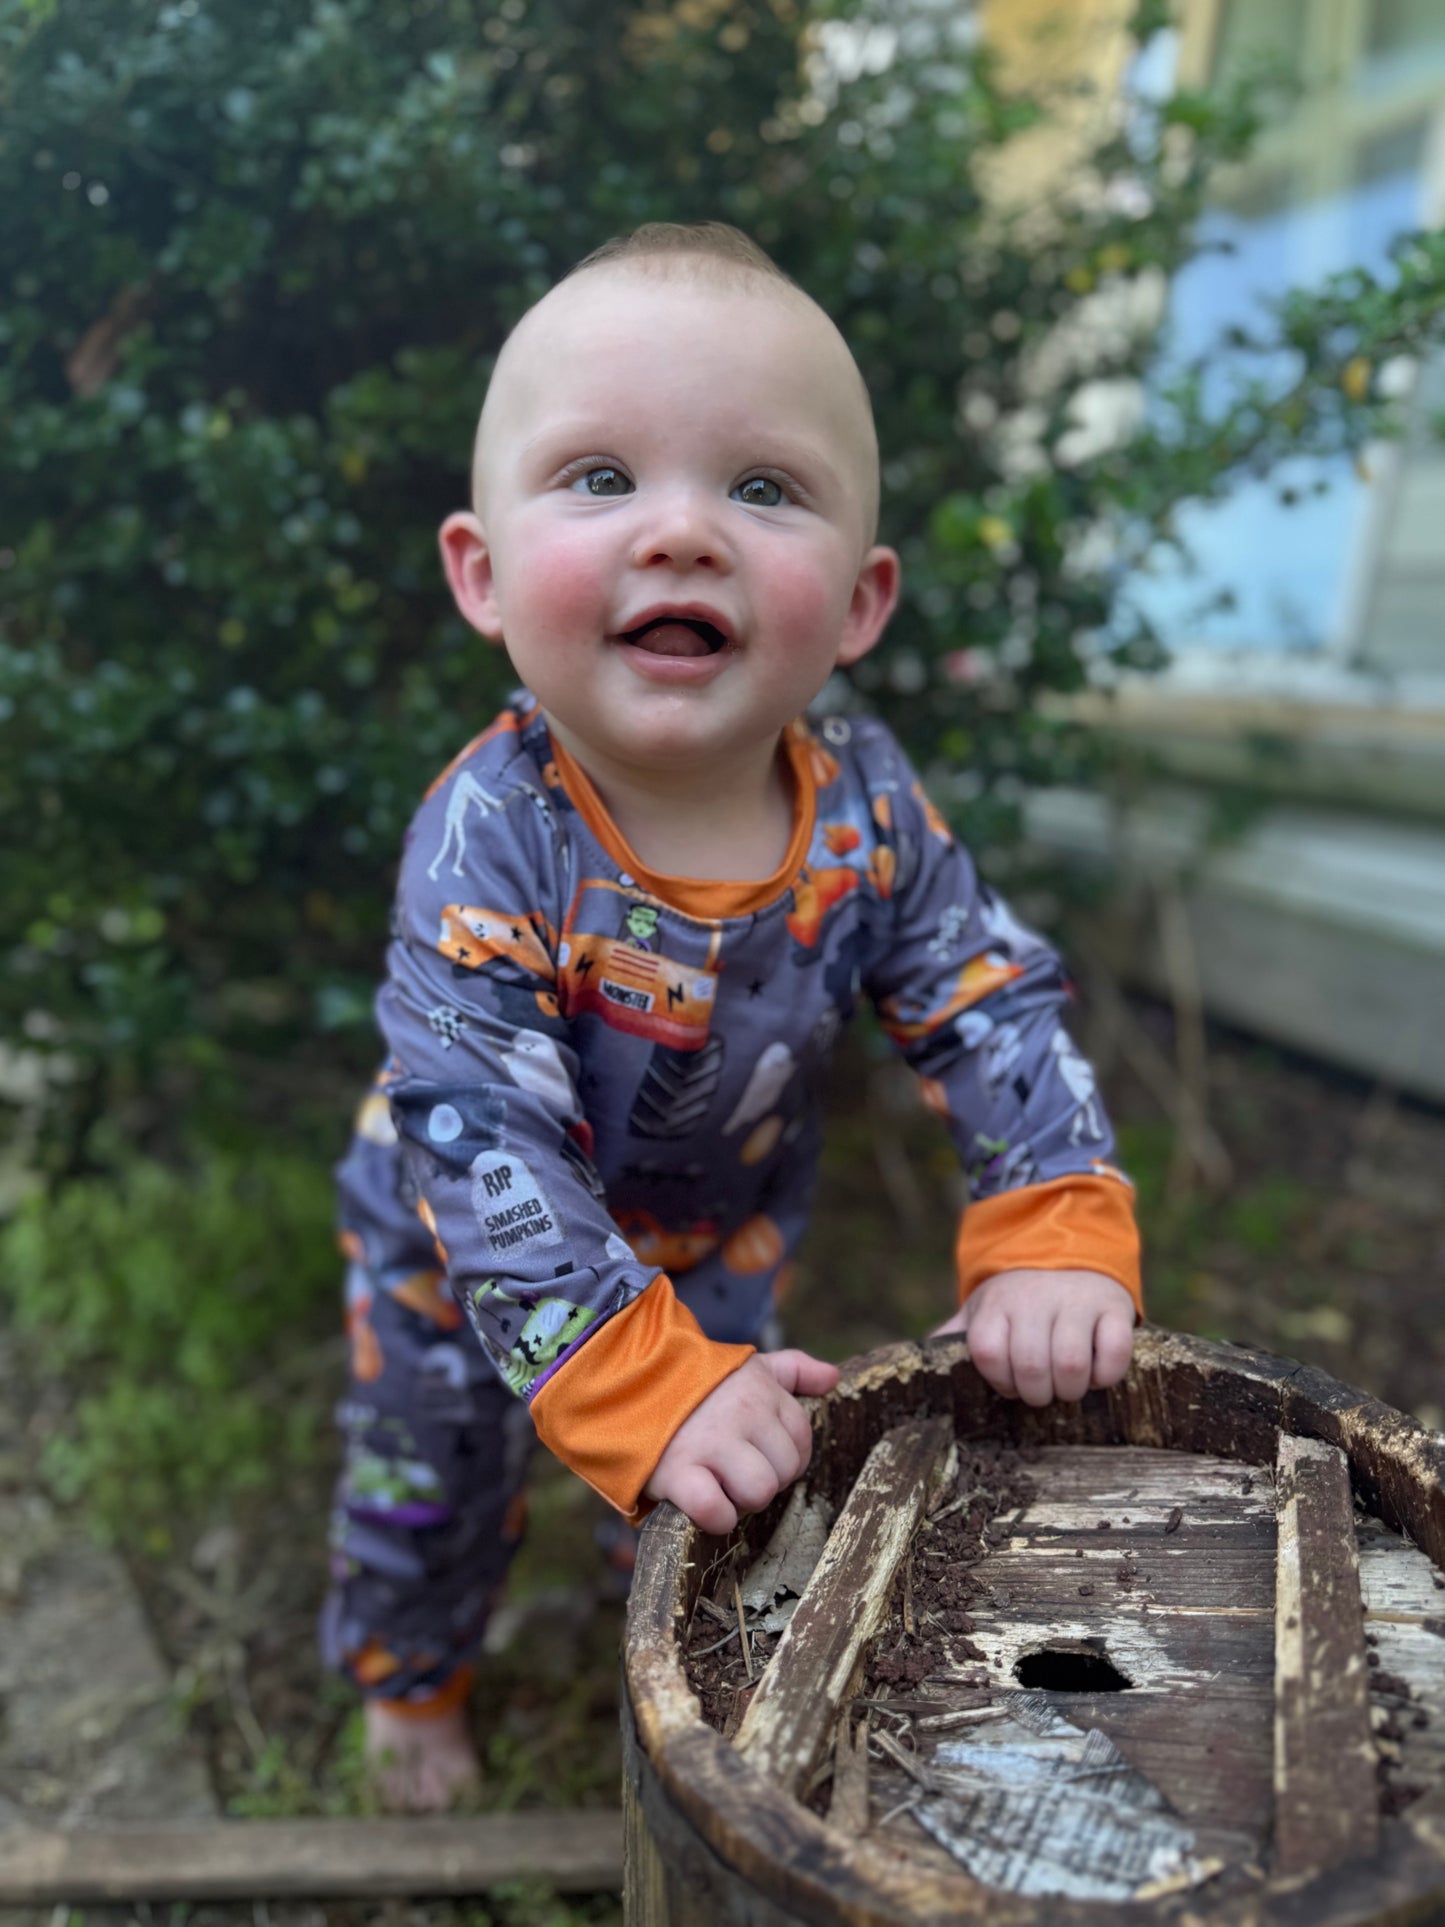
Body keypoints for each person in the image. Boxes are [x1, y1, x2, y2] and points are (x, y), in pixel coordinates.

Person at [322, 221, 1142, 1809]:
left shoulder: (867, 806)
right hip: (459, 1252)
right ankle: (410, 1681)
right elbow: (482, 1135)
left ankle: (680, 1673)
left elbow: (984, 997)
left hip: (719, 1237)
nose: (684, 531)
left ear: (857, 603)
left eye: (762, 488)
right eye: (600, 477)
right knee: (432, 1468)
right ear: (480, 574)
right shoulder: (494, 832)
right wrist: (628, 1371)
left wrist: (1051, 1218)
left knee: (727, 1474)